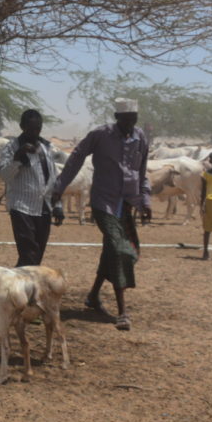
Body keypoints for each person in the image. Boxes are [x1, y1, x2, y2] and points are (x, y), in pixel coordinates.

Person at [51, 98, 152, 332]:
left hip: (126, 204)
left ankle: (93, 296)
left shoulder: (140, 139)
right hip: (103, 203)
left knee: (112, 250)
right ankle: (123, 312)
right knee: (120, 250)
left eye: (133, 120)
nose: (130, 124)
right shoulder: (100, 135)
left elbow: (142, 171)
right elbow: (76, 158)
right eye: (125, 119)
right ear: (117, 118)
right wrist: (59, 187)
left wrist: (145, 200)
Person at [0, 109, 61, 267]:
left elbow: (53, 177)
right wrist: (17, 158)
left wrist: (58, 205)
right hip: (22, 207)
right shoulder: (12, 147)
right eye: (30, 129)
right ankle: (24, 289)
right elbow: (4, 175)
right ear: (22, 126)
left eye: (38, 128)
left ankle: (17, 286)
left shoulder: (47, 147)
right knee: (29, 253)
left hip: (44, 208)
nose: (35, 132)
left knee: (36, 255)